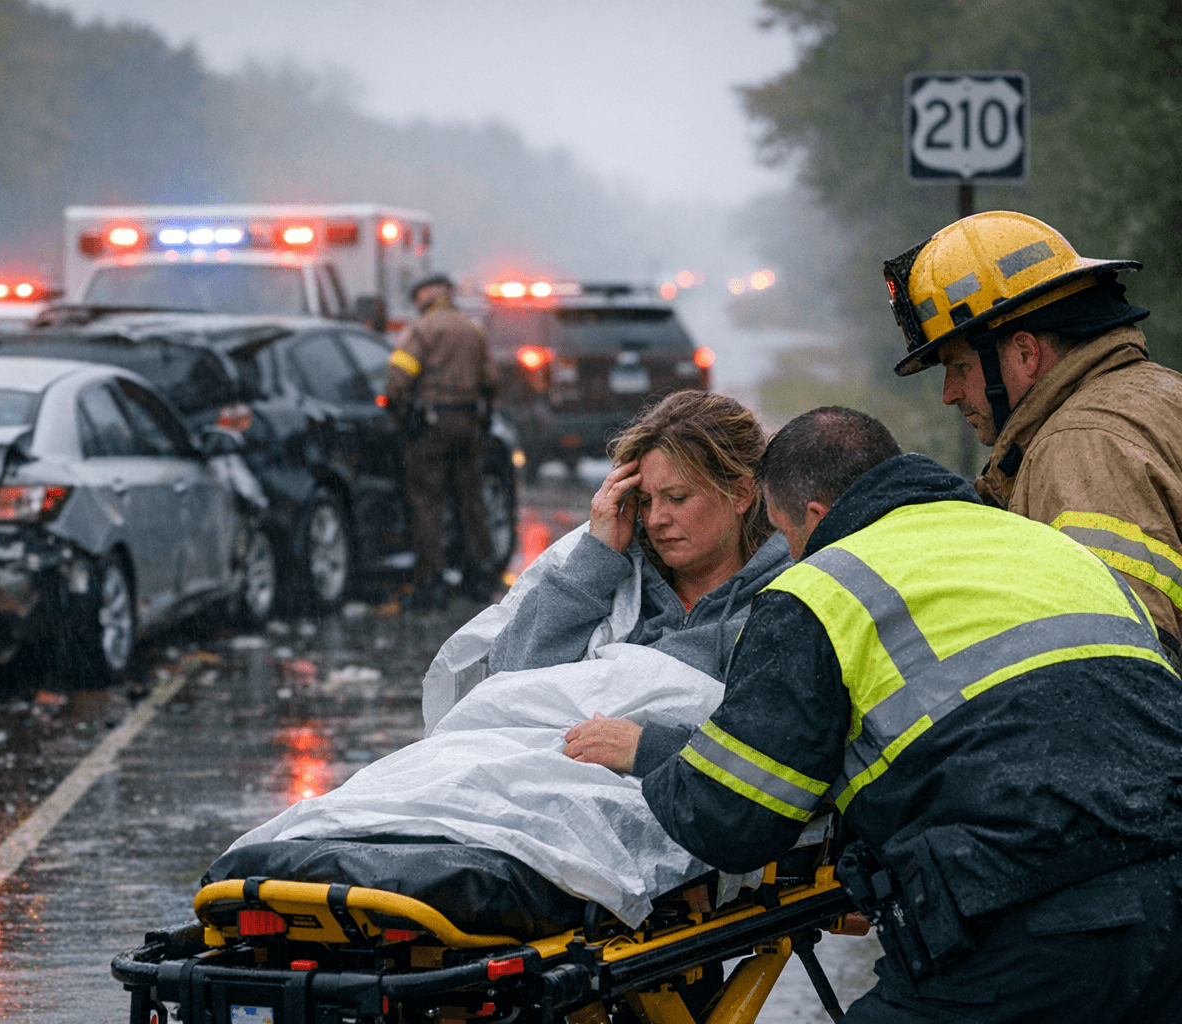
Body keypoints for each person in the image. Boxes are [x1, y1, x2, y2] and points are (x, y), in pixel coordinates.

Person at [633, 406, 1182, 1021]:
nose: (789, 555)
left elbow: (731, 818)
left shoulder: (820, 589)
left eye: (784, 535)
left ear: (814, 518)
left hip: (1032, 924)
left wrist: (647, 751)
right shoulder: (1055, 548)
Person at [884, 210, 1182, 664]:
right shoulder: (1161, 391)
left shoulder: (1079, 450)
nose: (949, 395)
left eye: (959, 367)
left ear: (1025, 353)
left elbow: (1118, 665)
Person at [495, 390, 792, 775]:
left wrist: (647, 748)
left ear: (739, 494)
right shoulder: (621, 580)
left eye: (677, 497)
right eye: (646, 501)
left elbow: (780, 753)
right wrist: (597, 556)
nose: (655, 520)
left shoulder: (786, 600)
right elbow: (507, 683)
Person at [384, 272, 500, 611]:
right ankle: (478, 576)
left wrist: (402, 412)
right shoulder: (473, 329)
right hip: (469, 423)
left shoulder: (423, 329)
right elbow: (492, 379)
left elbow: (398, 376)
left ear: (427, 296)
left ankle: (431, 582)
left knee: (427, 502)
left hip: (432, 428)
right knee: (471, 500)